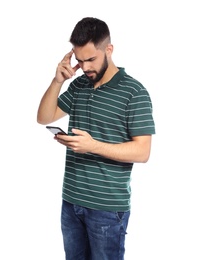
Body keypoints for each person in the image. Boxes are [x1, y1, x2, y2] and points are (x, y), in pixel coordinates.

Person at [37, 17, 155, 260]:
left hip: (107, 209)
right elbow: (44, 116)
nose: (85, 67)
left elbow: (142, 152)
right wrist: (58, 81)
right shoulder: (80, 85)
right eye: (80, 60)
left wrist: (93, 146)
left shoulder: (134, 92)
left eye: (91, 59)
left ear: (108, 50)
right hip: (71, 202)